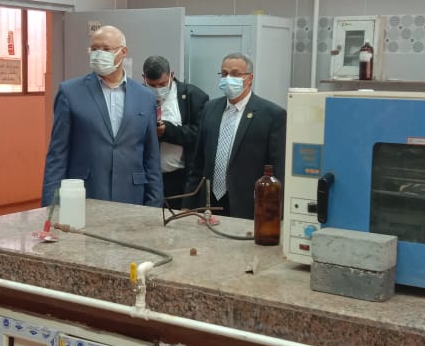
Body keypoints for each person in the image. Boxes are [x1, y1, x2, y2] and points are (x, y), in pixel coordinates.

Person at [41, 25, 163, 208]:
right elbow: (57, 155)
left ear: (123, 52)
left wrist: (155, 204)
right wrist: (50, 207)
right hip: (83, 196)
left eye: (106, 49)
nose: (99, 54)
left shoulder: (145, 97)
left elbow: (151, 156)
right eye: (94, 49)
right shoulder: (70, 92)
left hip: (132, 197)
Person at [184, 52, 286, 220]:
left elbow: (278, 170)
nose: (228, 78)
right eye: (224, 74)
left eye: (236, 74)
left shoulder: (272, 115)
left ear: (250, 78)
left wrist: (275, 214)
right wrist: (187, 204)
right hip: (209, 203)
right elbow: (198, 162)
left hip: (246, 206)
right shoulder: (210, 109)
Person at [141, 55, 209, 208]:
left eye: (162, 84)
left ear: (171, 75)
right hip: (146, 177)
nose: (157, 89)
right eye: (152, 85)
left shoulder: (194, 96)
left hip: (179, 177)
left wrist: (167, 131)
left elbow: (200, 134)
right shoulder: (136, 95)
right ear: (144, 78)